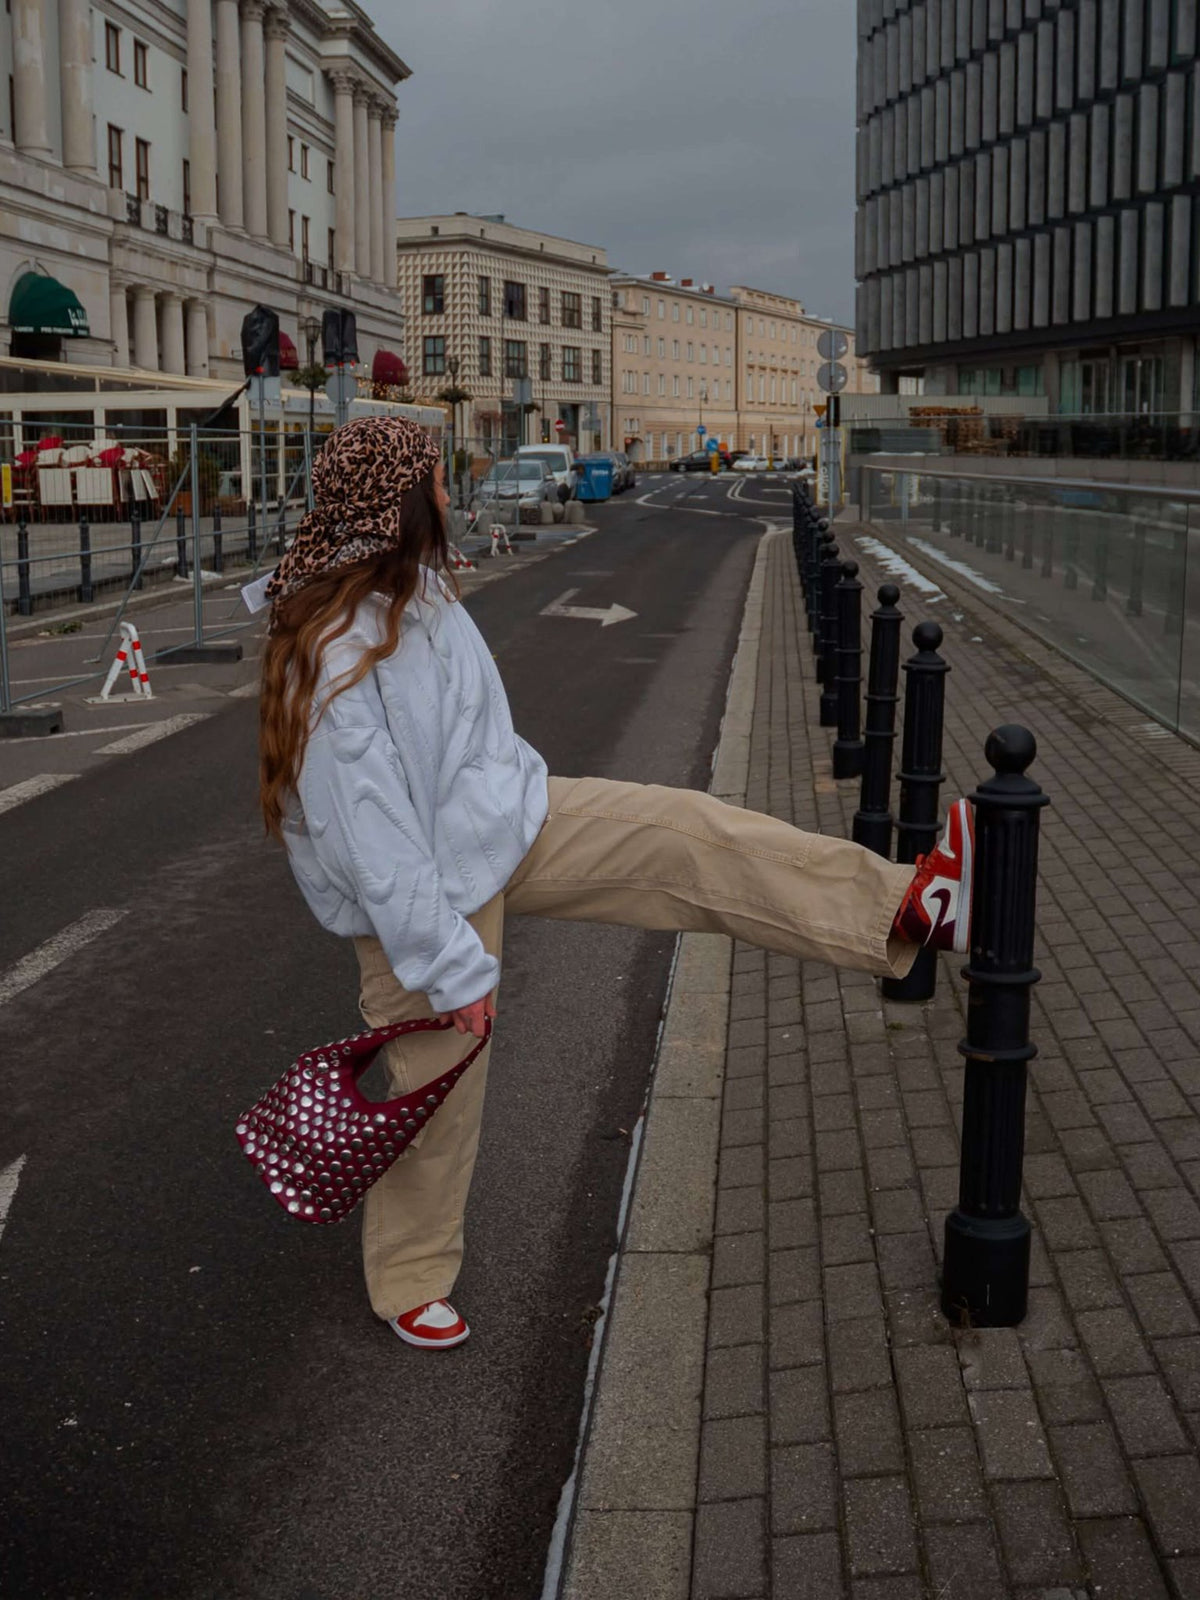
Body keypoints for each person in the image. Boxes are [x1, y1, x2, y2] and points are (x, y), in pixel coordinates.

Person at [259, 417, 974, 1351]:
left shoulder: (417, 591)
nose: (449, 491)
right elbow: (374, 845)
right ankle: (409, 1283)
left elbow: (462, 740)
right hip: (423, 901)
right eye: (434, 479)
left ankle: (904, 905)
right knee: (435, 1096)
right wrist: (453, 970)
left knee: (689, 836)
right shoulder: (340, 654)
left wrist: (513, 784)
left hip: (509, 821)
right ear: (397, 502)